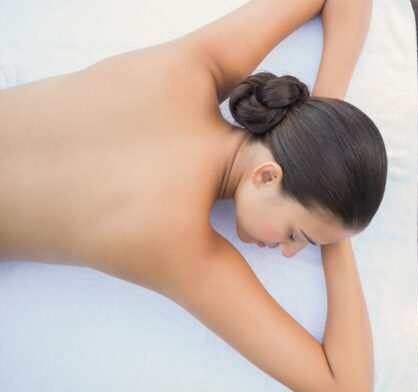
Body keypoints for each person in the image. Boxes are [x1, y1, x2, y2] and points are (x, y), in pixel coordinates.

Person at [0, 0, 381, 390]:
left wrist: (326, 122)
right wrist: (336, 239)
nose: (289, 251)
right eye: (297, 236)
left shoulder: (192, 67)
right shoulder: (182, 247)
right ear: (267, 176)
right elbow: (346, 387)